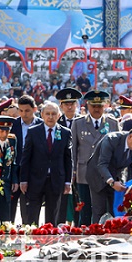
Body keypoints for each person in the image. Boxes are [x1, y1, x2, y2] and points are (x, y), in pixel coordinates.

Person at [20, 102, 73, 226]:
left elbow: (68, 159)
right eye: (47, 114)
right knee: (32, 217)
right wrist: (23, 180)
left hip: (56, 181)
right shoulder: (33, 132)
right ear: (42, 115)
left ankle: (51, 241)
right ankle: (32, 242)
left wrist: (67, 181)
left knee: (53, 217)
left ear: (59, 115)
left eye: (53, 114)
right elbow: (26, 157)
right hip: (35, 180)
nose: (50, 117)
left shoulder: (65, 133)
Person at [71, 90, 120, 225]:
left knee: (105, 210)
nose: (97, 109)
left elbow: (117, 150)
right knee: (85, 210)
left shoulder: (113, 123)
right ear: (87, 105)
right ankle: (83, 236)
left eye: (100, 106)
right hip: (84, 173)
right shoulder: (78, 123)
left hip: (105, 174)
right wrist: (73, 172)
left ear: (105, 106)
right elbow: (74, 150)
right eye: (94, 106)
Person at [86, 126, 132, 223]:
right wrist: (111, 182)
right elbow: (102, 164)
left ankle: (113, 235)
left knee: (116, 210)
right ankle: (97, 234)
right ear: (130, 137)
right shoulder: (111, 140)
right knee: (99, 210)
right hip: (98, 175)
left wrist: (131, 185)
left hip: (116, 176)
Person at [9, 95, 42, 223]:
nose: (23, 114)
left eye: (27, 111)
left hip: (33, 172)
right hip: (15, 171)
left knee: (29, 212)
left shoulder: (41, 124)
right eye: (21, 111)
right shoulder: (13, 125)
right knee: (10, 210)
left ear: (34, 109)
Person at [56, 88, 83, 224]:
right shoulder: (55, 123)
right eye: (66, 104)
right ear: (61, 106)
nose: (70, 106)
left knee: (79, 201)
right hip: (61, 168)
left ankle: (78, 227)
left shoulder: (84, 122)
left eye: (72, 103)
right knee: (62, 201)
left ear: (77, 104)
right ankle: (61, 227)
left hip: (80, 168)